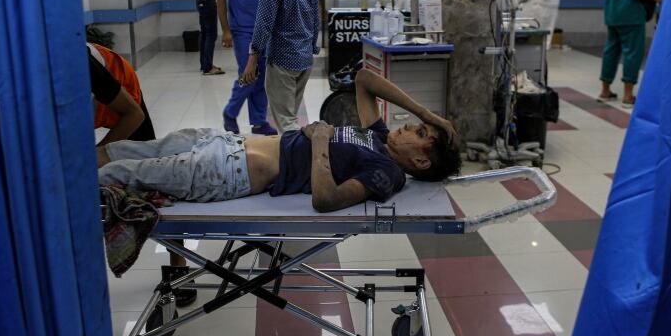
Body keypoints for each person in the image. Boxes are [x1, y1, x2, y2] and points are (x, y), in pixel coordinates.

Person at [97, 68, 461, 212]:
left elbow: (326, 200)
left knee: (122, 172)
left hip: (228, 171)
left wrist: (320, 141)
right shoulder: (378, 138)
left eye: (420, 133)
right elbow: (365, 78)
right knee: (127, 151)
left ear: (422, 162)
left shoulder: (386, 172)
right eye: (417, 124)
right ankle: (63, 166)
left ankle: (48, 192)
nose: (409, 126)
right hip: (223, 142)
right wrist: (428, 113)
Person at [241, 0, 320, 133]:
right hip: (304, 58)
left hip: (282, 61)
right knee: (291, 116)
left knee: (286, 124)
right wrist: (312, 47)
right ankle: (293, 157)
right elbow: (315, 19)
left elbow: (264, 22)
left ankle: (296, 164)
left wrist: (253, 58)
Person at [216, 0, 277, 136]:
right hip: (242, 29)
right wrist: (225, 30)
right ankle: (230, 112)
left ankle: (259, 122)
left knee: (261, 78)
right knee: (248, 74)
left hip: (265, 30)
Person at [88, 43, 155, 145]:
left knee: (143, 149)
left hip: (118, 76)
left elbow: (135, 115)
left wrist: (99, 153)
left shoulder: (84, 64)